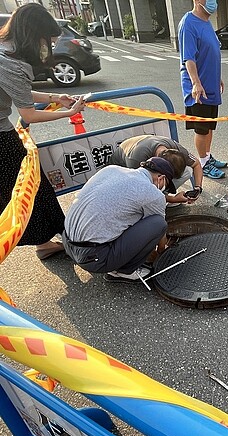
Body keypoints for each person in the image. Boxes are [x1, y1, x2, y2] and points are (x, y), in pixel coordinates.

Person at [0, 4, 85, 261]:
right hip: (1, 138)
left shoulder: (4, 54)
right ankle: (45, 240)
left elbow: (21, 93)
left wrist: (55, 97)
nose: (46, 47)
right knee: (28, 188)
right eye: (45, 40)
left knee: (29, 187)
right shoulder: (10, 63)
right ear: (32, 35)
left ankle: (46, 240)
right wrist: (68, 113)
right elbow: (29, 114)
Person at [63, 157, 174, 283]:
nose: (163, 189)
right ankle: (123, 271)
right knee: (158, 224)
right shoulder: (152, 193)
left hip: (67, 242)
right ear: (161, 178)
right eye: (166, 185)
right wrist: (162, 251)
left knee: (131, 213)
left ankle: (113, 257)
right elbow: (160, 230)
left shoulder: (111, 169)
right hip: (95, 259)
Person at [178, 0, 228, 180]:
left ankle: (207, 156)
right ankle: (203, 163)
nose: (214, 2)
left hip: (211, 85)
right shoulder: (189, 23)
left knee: (209, 126)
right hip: (198, 89)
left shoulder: (206, 23)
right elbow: (188, 58)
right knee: (201, 129)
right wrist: (196, 83)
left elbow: (208, 53)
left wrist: (217, 78)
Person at [110, 134, 204, 205]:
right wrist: (172, 199)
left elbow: (196, 164)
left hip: (145, 170)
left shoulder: (176, 150)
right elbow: (140, 191)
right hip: (120, 175)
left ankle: (162, 194)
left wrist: (197, 188)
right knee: (143, 202)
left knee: (187, 170)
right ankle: (161, 198)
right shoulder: (136, 158)